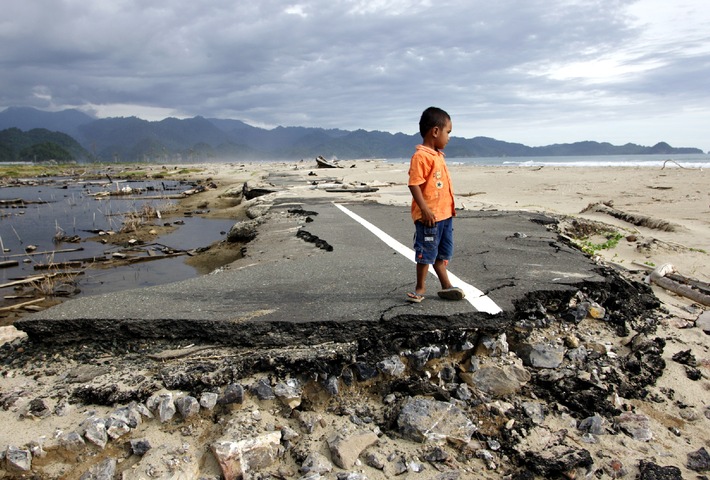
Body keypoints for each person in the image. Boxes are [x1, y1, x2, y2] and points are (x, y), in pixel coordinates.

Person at [406, 106, 465, 303]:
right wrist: (424, 209)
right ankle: (420, 288)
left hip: (445, 215)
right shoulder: (421, 156)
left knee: (442, 253)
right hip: (429, 217)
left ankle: (446, 286)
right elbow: (414, 184)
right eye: (448, 132)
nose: (449, 137)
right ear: (436, 131)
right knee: (426, 253)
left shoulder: (438, 155)